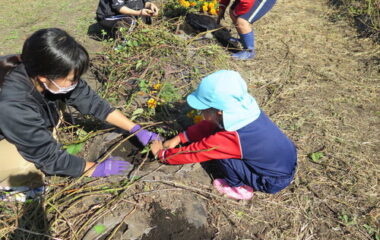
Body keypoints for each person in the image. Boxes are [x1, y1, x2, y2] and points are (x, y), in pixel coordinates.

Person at [0, 28, 159, 191]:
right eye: (70, 79)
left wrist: (136, 129)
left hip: (19, 117)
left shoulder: (49, 69)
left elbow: (95, 103)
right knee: (27, 169)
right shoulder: (13, 104)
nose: (74, 83)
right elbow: (48, 158)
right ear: (43, 78)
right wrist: (96, 168)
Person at [151, 70, 297, 200]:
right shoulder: (245, 110)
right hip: (285, 162)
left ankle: (238, 188)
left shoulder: (233, 138)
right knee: (222, 140)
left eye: (203, 110)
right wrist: (180, 138)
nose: (200, 113)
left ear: (219, 111)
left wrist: (162, 154)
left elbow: (195, 152)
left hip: (271, 180)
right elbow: (211, 124)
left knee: (223, 155)